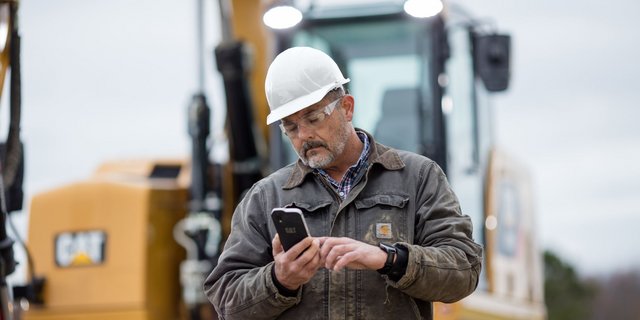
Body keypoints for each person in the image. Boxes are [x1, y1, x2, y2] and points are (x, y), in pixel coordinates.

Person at [204, 46, 482, 320]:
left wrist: (388, 259)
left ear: (346, 108)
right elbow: (226, 301)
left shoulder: (419, 177)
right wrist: (279, 280)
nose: (303, 135)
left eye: (313, 118)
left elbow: (464, 270)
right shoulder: (266, 197)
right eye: (290, 127)